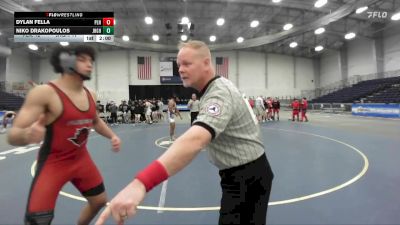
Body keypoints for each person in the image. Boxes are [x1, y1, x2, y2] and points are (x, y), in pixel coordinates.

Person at [96, 40, 274, 225]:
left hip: (246, 177)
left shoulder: (219, 93)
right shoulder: (217, 88)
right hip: (244, 173)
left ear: (206, 63)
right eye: (179, 64)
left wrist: (141, 183)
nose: (180, 69)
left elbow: (196, 140)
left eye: (187, 64)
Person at [7, 45, 121, 225]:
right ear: (65, 62)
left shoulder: (90, 94)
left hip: (81, 160)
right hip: (53, 163)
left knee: (99, 201)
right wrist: (28, 135)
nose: (90, 64)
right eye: (82, 59)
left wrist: (112, 136)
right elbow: (13, 135)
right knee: (38, 220)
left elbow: (96, 121)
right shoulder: (45, 93)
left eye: (91, 60)